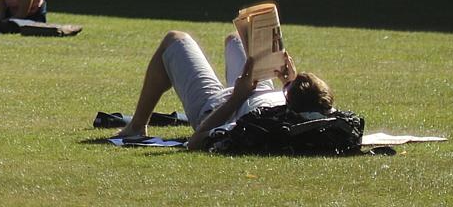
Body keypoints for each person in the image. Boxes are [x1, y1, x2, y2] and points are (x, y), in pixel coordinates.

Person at [112, 27, 334, 150]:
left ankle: (137, 127)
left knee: (175, 39)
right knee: (237, 38)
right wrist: (288, 82)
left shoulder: (259, 123)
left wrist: (236, 98)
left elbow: (196, 141)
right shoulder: (318, 114)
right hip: (256, 91)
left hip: (221, 106)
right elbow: (308, 103)